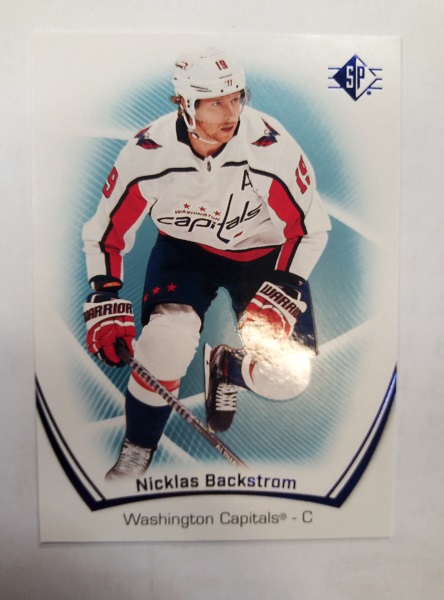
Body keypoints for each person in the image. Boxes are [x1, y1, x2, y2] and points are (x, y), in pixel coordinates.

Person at [82, 47, 331, 479]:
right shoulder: (148, 152)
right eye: (215, 103)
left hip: (263, 256)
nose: (231, 113)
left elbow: (310, 228)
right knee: (163, 345)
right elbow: (107, 231)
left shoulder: (269, 148)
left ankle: (226, 367)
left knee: (287, 377)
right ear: (184, 104)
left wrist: (285, 287)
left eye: (236, 98)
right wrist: (105, 294)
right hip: (186, 251)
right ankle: (137, 449)